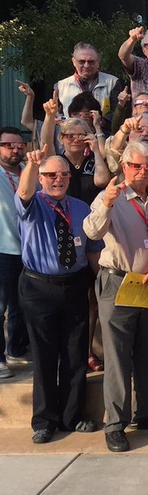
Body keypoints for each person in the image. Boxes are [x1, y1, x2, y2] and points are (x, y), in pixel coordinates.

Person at [83, 141, 148, 452]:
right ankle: (115, 424)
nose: (143, 171)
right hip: (118, 283)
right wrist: (107, 203)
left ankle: (145, 414)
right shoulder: (111, 196)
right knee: (118, 357)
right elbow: (92, 233)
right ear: (124, 167)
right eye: (136, 166)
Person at [16, 146, 103, 443]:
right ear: (41, 178)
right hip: (39, 287)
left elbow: (92, 249)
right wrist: (31, 165)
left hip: (74, 284)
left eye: (64, 174)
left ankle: (72, 416)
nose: (58, 179)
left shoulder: (80, 207)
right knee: (44, 355)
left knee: (75, 352)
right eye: (51, 175)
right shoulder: (32, 203)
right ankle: (44, 420)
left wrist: (100, 283)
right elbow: (24, 192)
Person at [0, 127, 28, 379]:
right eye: (9, 145)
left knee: (21, 304)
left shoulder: (27, 173)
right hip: (3, 248)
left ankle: (16, 350)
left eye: (20, 145)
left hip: (29, 251)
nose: (15, 149)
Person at [55, 42, 124, 117]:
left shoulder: (112, 82)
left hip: (102, 128)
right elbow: (57, 115)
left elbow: (117, 115)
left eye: (91, 62)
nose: (86, 66)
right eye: (82, 62)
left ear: (98, 62)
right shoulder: (61, 86)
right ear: (74, 62)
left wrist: (101, 121)